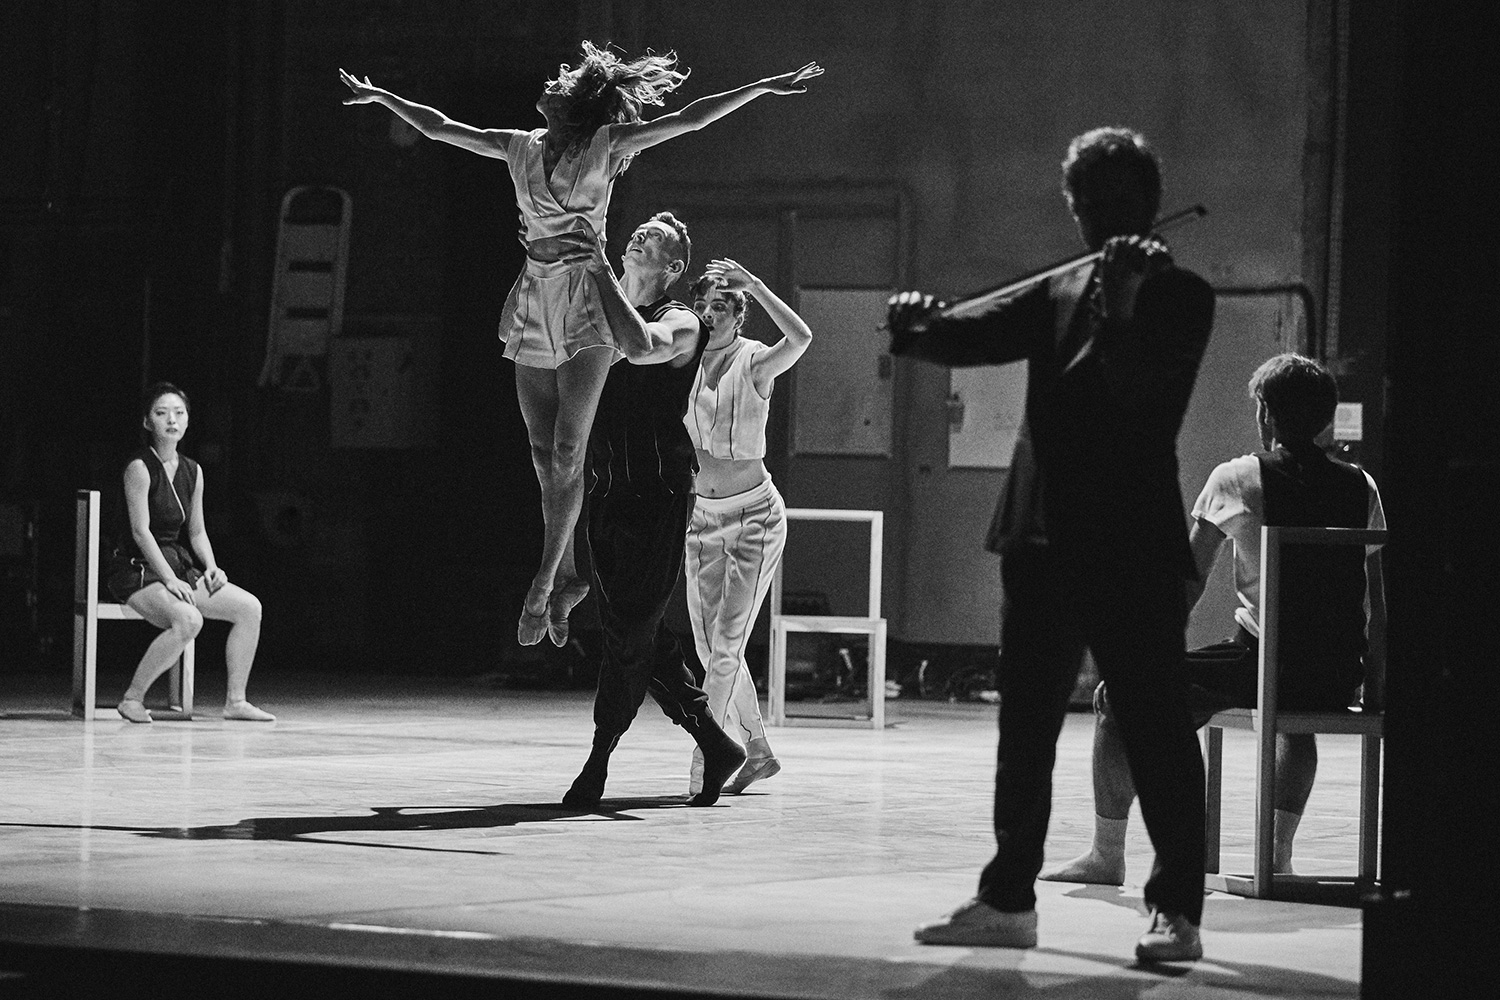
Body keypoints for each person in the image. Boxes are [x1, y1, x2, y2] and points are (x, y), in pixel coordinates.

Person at [339, 46, 822, 649]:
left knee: (570, 449)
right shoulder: (519, 145)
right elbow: (440, 128)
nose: (552, 81)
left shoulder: (606, 145)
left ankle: (543, 582)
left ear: (580, 100)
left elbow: (691, 118)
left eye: (564, 79)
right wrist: (382, 97)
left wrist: (763, 85)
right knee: (543, 454)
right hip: (536, 295)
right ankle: (568, 575)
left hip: (588, 299)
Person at [887, 127, 1215, 961]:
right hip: (1041, 536)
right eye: (1086, 203)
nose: (1098, 218)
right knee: (1025, 731)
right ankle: (1008, 900)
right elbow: (976, 335)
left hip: (1131, 540)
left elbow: (1138, 395)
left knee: (1155, 726)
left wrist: (1125, 304)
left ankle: (1177, 910)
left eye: (1115, 202)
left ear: (1147, 202)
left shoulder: (1182, 295)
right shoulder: (1060, 286)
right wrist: (921, 325)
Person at [1040, 353, 1387, 885]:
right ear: (1325, 418)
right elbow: (1379, 606)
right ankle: (1278, 857)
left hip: (1261, 664)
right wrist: (1376, 683)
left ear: (1265, 413)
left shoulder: (1238, 478)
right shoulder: (1362, 486)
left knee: (1118, 699)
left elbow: (1189, 580)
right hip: (1335, 673)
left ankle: (1106, 854)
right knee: (1295, 721)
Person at [560, 212, 747, 810]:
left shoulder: (682, 322)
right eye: (638, 231)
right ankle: (714, 742)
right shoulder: (599, 310)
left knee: (626, 633)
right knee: (636, 630)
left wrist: (596, 269)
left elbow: (639, 346)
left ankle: (598, 760)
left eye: (656, 238)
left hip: (656, 496)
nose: (639, 235)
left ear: (673, 267)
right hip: (605, 492)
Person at [681, 261, 812, 796]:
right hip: (700, 518)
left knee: (727, 647)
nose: (709, 314)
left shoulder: (755, 360)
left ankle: (706, 760)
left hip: (754, 517)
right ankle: (756, 751)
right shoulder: (682, 360)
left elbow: (801, 338)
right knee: (710, 649)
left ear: (738, 315)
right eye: (703, 305)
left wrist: (756, 284)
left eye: (721, 305)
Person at [106, 383, 273, 724]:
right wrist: (168, 580)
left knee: (249, 608)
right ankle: (132, 698)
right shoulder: (139, 467)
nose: (171, 420)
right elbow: (140, 532)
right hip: (137, 568)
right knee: (189, 619)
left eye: (179, 413)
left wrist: (212, 566)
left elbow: (196, 532)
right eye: (161, 413)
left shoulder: (193, 470)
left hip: (177, 565)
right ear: (147, 422)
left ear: (187, 421)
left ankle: (236, 701)